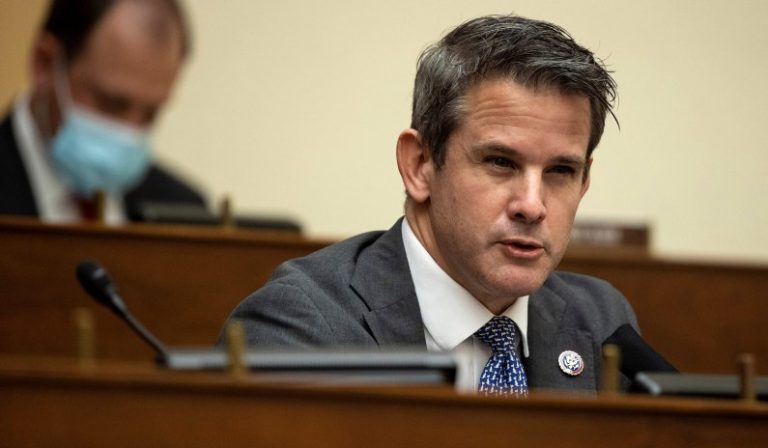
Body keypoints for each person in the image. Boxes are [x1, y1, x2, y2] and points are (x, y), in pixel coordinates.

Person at [224, 14, 669, 394]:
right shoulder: (302, 325)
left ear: (585, 180)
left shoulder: (601, 321)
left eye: (560, 171)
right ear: (419, 165)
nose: (532, 206)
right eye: (500, 162)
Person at [0, 0, 206, 224]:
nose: (129, 132)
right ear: (45, 64)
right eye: (112, 104)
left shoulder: (186, 213)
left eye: (150, 112)